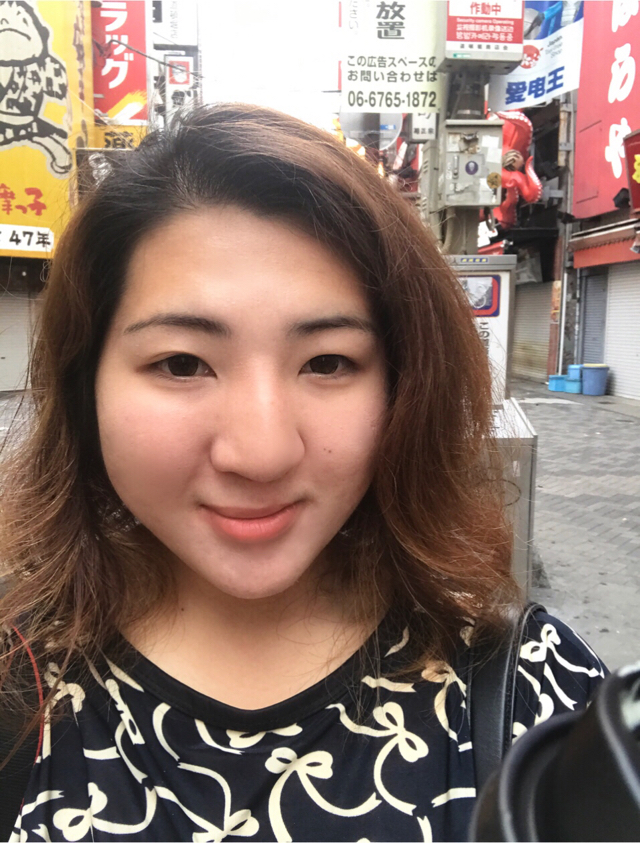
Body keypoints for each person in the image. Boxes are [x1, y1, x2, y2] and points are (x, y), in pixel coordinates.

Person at [0, 104, 605, 843]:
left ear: (403, 386)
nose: (261, 454)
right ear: (84, 383)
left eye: (328, 363)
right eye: (182, 363)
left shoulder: (530, 694)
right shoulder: (16, 681)